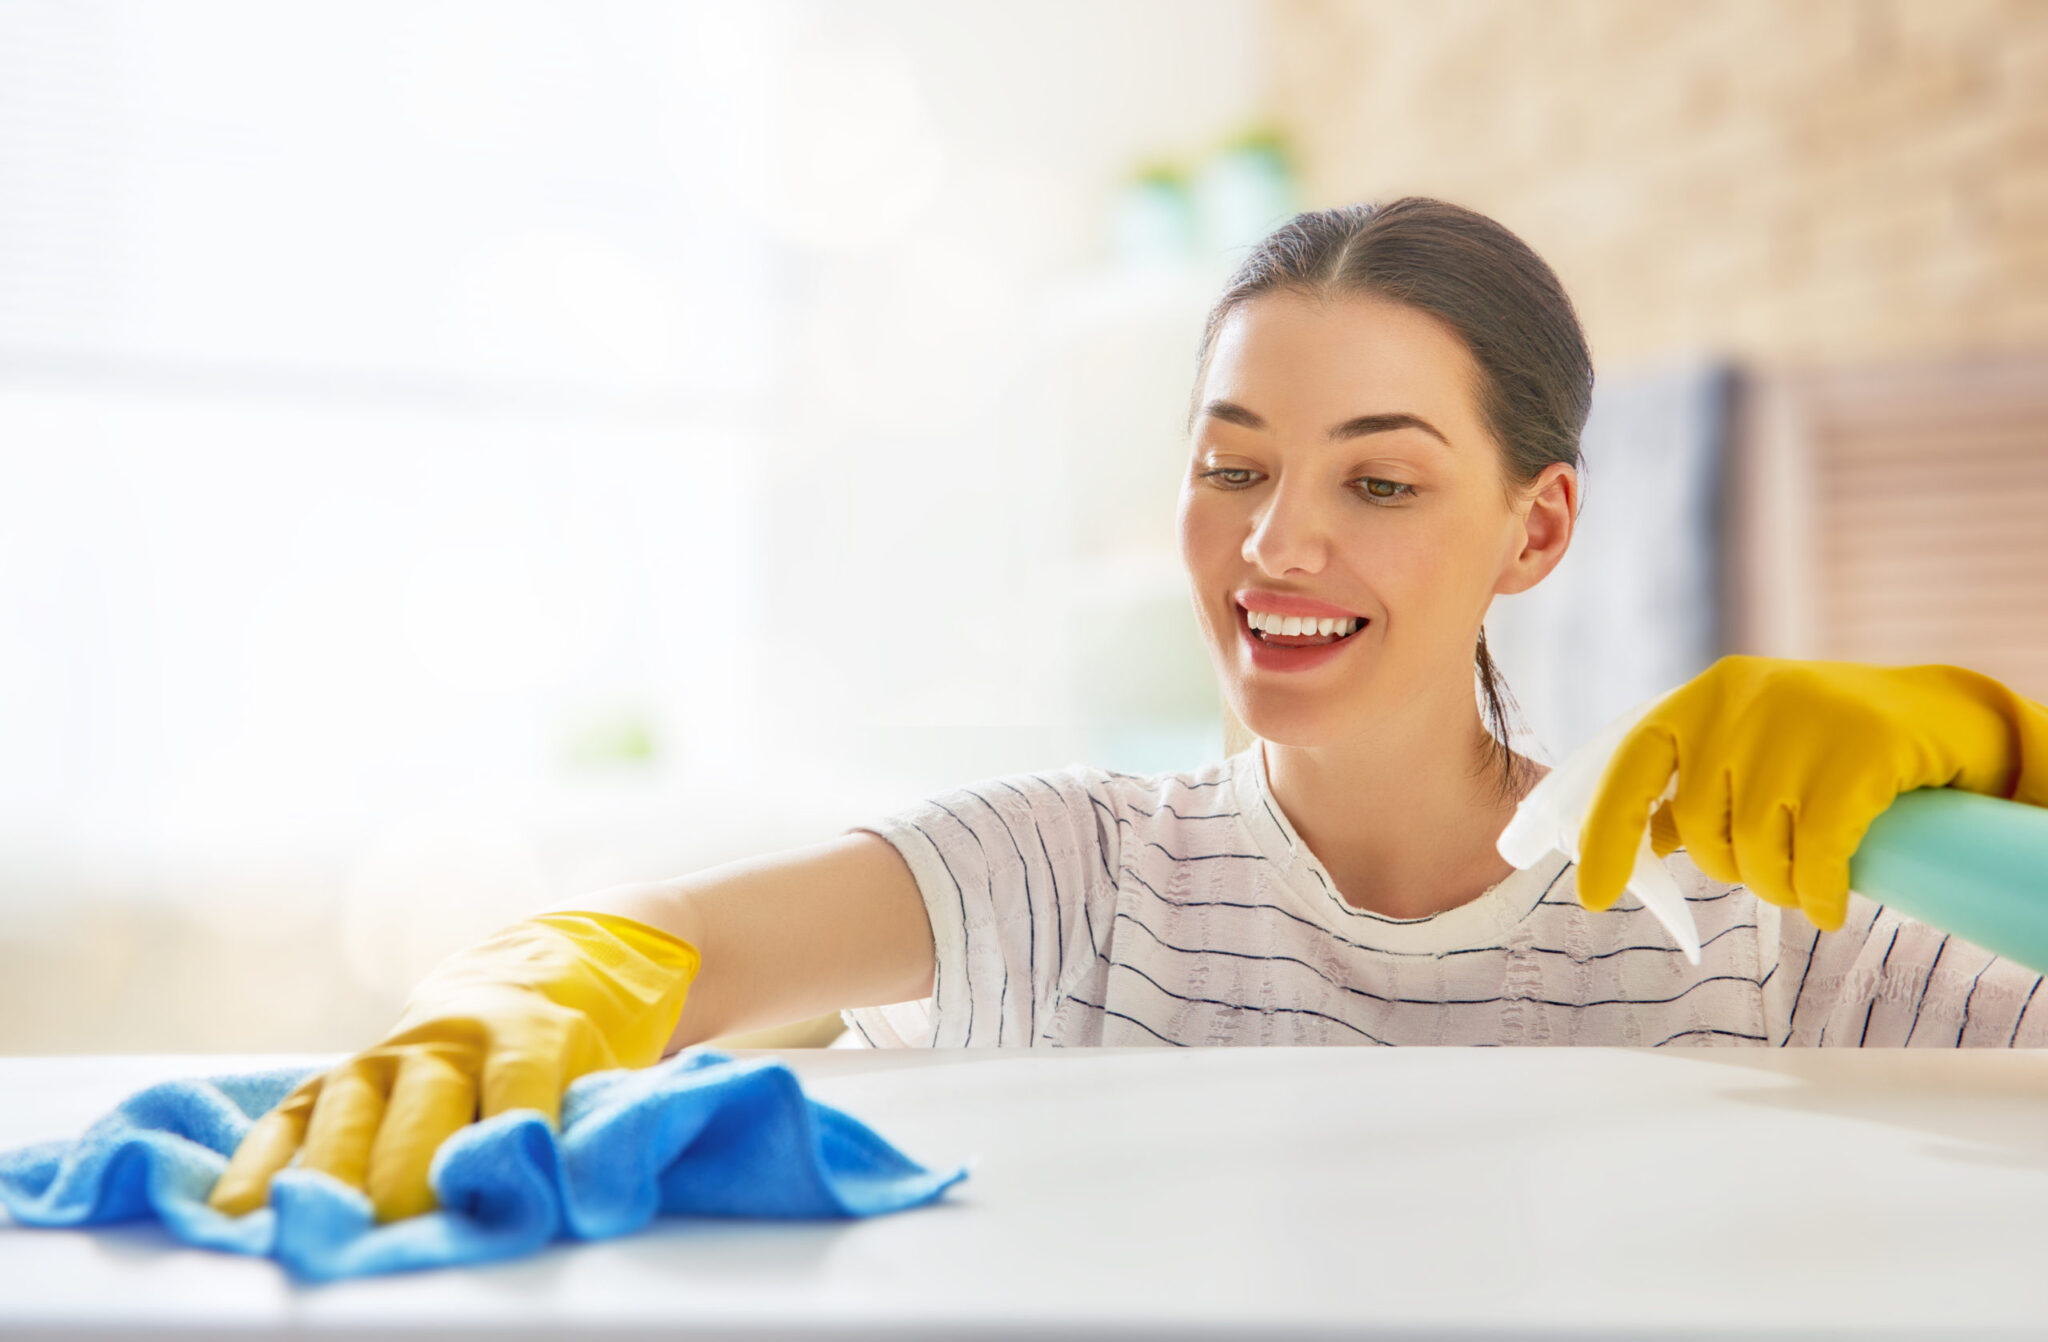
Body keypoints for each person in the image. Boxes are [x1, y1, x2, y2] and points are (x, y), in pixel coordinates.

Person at [208, 198, 2048, 1226]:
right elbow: (665, 949)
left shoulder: (1758, 914)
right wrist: (538, 980)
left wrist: (1999, 750)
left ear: (1537, 526)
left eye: (1380, 483)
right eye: (1230, 466)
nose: (1278, 541)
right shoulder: (1070, 868)